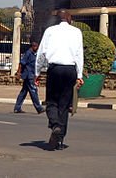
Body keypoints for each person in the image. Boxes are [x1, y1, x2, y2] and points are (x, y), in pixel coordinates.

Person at [35, 10, 83, 150]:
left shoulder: (50, 31)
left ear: (58, 19)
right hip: (70, 70)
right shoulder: (77, 32)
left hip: (55, 69)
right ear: (69, 18)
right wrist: (79, 75)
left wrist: (36, 72)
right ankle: (60, 139)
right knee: (64, 104)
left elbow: (42, 53)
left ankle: (55, 125)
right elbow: (79, 55)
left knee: (51, 102)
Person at [14, 39, 44, 114]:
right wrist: (18, 73)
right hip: (28, 75)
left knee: (23, 92)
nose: (37, 48)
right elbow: (22, 64)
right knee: (33, 91)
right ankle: (39, 108)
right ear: (33, 46)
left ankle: (17, 108)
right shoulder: (28, 53)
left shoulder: (34, 54)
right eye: (36, 46)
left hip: (31, 75)